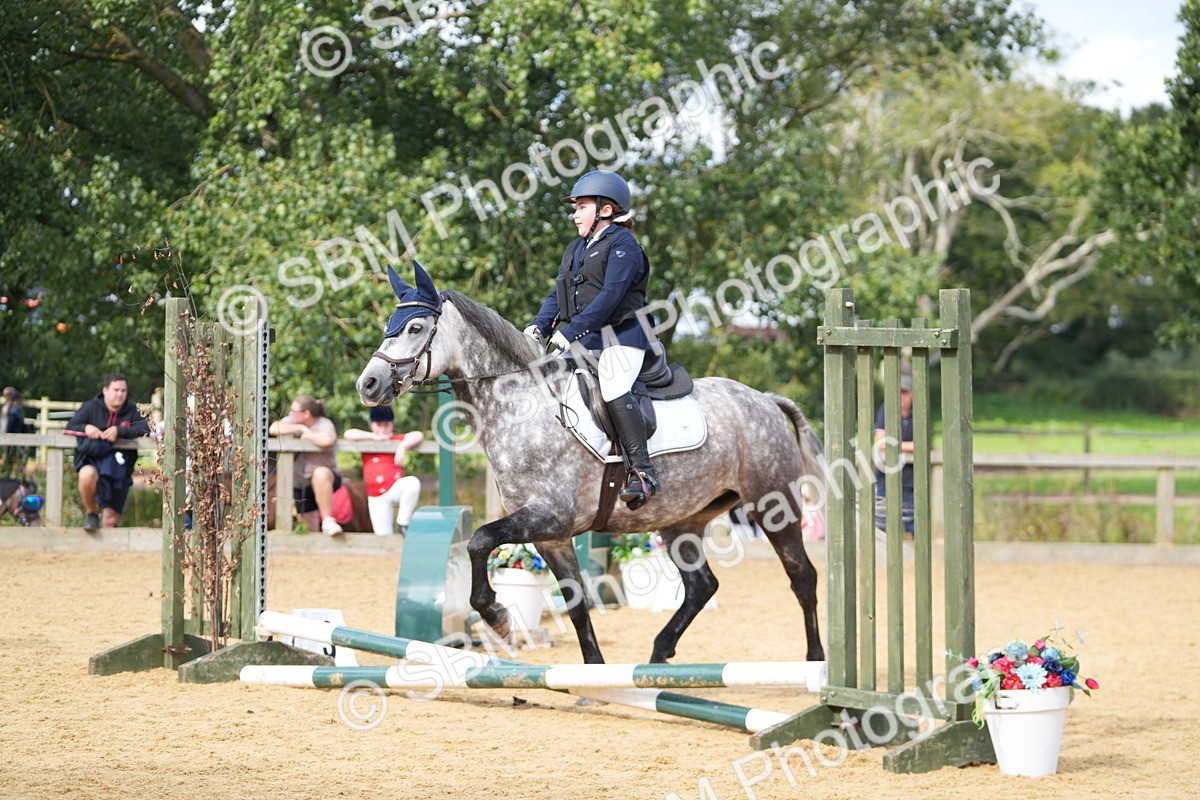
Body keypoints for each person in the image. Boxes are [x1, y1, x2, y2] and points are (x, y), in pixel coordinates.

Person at [524, 169, 661, 510]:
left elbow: (610, 297)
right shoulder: (576, 248)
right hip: (590, 339)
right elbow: (557, 295)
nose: (575, 214)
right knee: (545, 380)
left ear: (605, 210)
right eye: (576, 208)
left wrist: (571, 331)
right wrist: (539, 326)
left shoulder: (624, 245)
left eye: (581, 207)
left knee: (613, 387)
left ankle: (643, 473)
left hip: (624, 337)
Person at [65, 374, 151, 532]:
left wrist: (120, 431)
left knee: (110, 522)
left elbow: (146, 428)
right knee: (86, 475)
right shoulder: (90, 407)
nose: (120, 394)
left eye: (123, 391)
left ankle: (107, 546)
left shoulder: (132, 411)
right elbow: (70, 427)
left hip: (119, 469)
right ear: (105, 390)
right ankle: (91, 513)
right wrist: (86, 428)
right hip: (92, 461)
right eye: (116, 390)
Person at [269, 395, 345, 536]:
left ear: (306, 414)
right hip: (300, 483)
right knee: (309, 529)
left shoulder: (323, 423)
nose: (290, 413)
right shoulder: (293, 422)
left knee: (320, 473)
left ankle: (328, 521)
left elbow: (328, 440)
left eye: (294, 411)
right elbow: (273, 428)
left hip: (324, 480)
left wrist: (308, 436)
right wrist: (301, 428)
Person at [344, 406, 424, 536]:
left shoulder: (395, 440)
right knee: (382, 535)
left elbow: (418, 435)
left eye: (386, 425)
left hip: (394, 487)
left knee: (412, 483)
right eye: (378, 424)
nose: (382, 429)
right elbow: (348, 434)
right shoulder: (367, 441)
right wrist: (373, 436)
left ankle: (403, 521)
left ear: (392, 424)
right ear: (371, 424)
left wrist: (403, 446)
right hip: (376, 495)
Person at [874, 373, 916, 535]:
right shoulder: (886, 409)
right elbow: (881, 443)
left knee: (913, 525)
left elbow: (922, 445)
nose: (901, 397)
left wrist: (894, 444)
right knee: (881, 523)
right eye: (898, 393)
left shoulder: (918, 413)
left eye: (905, 393)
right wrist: (908, 446)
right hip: (885, 477)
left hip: (911, 479)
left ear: (911, 394)